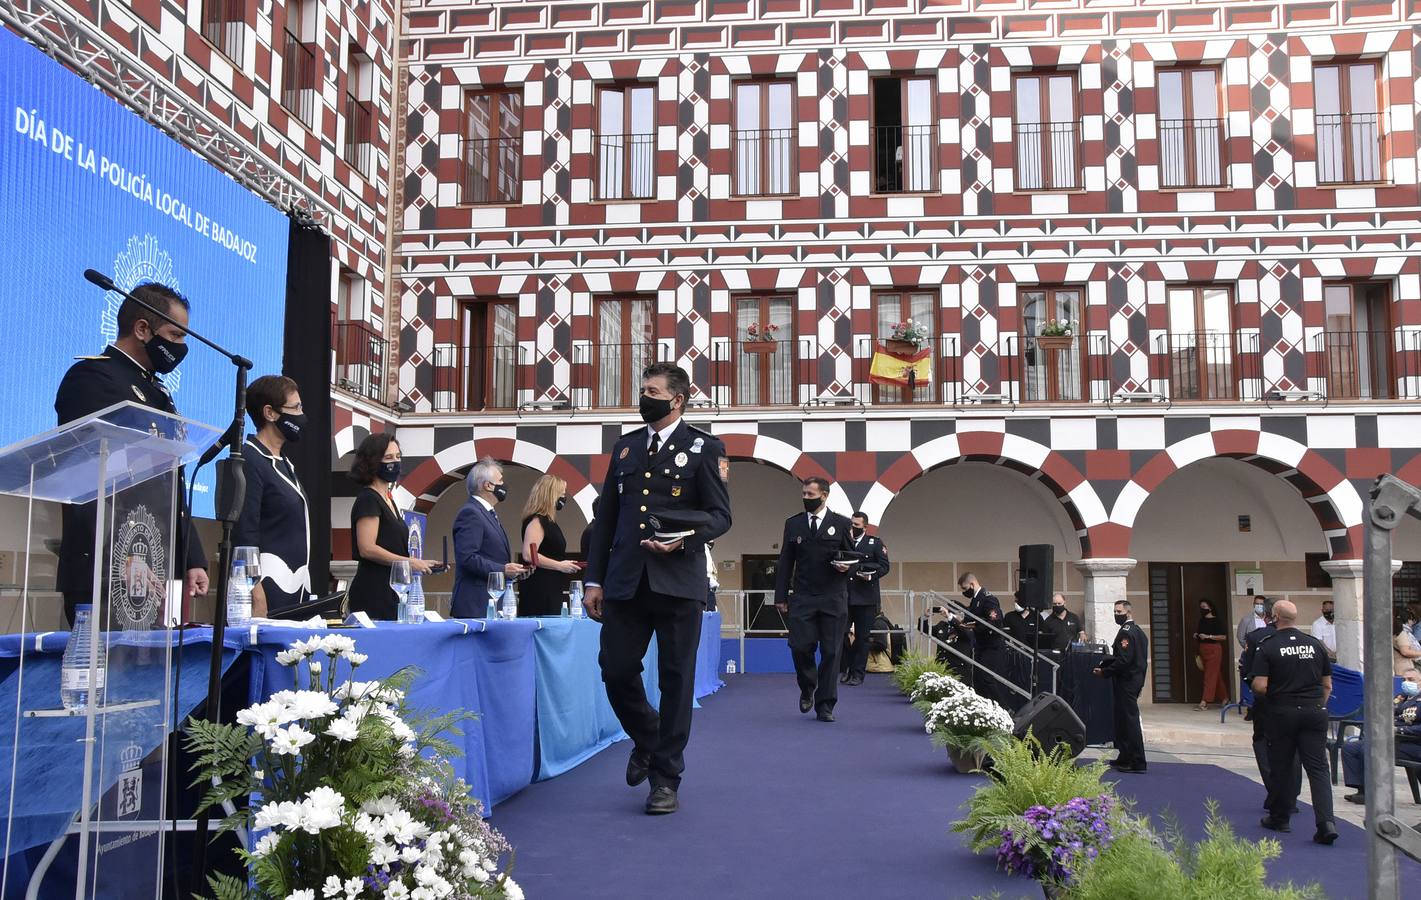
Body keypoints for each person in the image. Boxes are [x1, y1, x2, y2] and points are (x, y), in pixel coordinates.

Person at [584, 362, 731, 815]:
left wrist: (682, 537)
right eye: (642, 388)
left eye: (651, 390)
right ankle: (648, 737)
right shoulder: (626, 449)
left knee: (676, 680)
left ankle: (666, 778)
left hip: (678, 583)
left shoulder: (705, 447)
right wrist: (594, 578)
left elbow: (720, 516)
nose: (643, 397)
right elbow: (606, 517)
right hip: (626, 582)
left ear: (677, 399)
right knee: (615, 667)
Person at [54, 282, 208, 624]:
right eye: (176, 335)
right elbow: (88, 477)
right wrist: (122, 554)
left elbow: (168, 482)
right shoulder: (94, 378)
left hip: (150, 560)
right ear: (142, 329)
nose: (181, 347)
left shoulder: (157, 392)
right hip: (108, 566)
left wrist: (190, 555)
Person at [1250, 599, 1338, 845]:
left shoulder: (1268, 645)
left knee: (1282, 765)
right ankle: (1326, 823)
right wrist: (1318, 703)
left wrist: (1276, 698)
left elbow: (1259, 685)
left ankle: (1280, 818)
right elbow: (1327, 684)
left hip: (1283, 712)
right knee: (1319, 768)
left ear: (1275, 616)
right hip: (1314, 711)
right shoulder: (1314, 644)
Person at [775, 477, 854, 721]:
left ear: (824, 495)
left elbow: (852, 556)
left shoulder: (840, 523)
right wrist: (780, 595)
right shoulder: (794, 524)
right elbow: (786, 561)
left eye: (810, 494)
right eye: (804, 494)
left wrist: (846, 568)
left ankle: (826, 705)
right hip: (803, 597)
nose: (806, 498)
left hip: (833, 597)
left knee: (832, 652)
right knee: (800, 647)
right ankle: (808, 686)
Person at [233, 375, 312, 616]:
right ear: (270, 413)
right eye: (295, 407)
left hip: (297, 584)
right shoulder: (250, 459)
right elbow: (244, 532)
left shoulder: (284, 463)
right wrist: (254, 592)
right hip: (267, 587)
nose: (301, 414)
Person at [346, 434, 433, 620]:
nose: (395, 462)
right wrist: (408, 562)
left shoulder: (389, 500)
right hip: (374, 591)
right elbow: (367, 548)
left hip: (394, 589)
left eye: (398, 457)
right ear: (372, 461)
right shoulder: (369, 499)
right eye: (388, 458)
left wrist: (419, 563)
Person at [1240, 600, 1302, 812]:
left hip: (1269, 701)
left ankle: (1277, 793)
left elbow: (1248, 673)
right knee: (1292, 749)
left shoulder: (1259, 638)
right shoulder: (1307, 641)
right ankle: (1291, 795)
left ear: (1271, 615)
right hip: (1298, 702)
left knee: (1264, 745)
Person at [451, 458, 527, 618]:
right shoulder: (471, 513)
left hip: (491, 602)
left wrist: (513, 572)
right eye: (500, 480)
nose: (503, 484)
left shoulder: (487, 513)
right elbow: (467, 558)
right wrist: (503, 570)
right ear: (487, 485)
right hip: (476, 604)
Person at [1341, 668, 1421, 804]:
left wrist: (1399, 730)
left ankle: (1374, 793)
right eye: (1404, 680)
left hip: (1410, 743)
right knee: (1350, 748)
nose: (1406, 683)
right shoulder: (1400, 698)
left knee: (1367, 748)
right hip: (1389, 740)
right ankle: (1362, 790)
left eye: (1411, 680)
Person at [1093, 600, 1148, 773]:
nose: (1117, 615)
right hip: (1132, 680)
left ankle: (1137, 761)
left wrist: (1105, 671)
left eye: (1119, 612)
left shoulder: (1127, 632)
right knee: (1123, 721)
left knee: (1130, 721)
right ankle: (1125, 756)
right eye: (1115, 612)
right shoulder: (1138, 632)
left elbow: (1124, 660)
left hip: (1127, 681)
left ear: (1128, 612)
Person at [517, 474, 581, 617]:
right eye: (562, 494)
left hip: (552, 584)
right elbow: (529, 554)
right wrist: (559, 565)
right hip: (541, 587)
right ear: (551, 495)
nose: (564, 499)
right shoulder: (537, 521)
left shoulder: (548, 521)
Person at [841, 511, 890, 687]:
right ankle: (846, 668)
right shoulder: (844, 541)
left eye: (856, 525)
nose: (853, 528)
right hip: (845, 597)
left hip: (866, 598)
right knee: (841, 635)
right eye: (851, 524)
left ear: (865, 527)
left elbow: (885, 567)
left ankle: (857, 673)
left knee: (862, 637)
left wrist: (870, 576)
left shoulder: (874, 543)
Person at [958, 572, 1010, 708]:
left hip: (992, 645)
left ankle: (1003, 708)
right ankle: (983, 708)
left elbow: (995, 621)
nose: (964, 592)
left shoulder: (988, 599)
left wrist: (976, 626)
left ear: (972, 584)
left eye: (964, 588)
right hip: (981, 645)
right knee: (978, 679)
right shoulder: (975, 600)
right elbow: (971, 617)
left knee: (987, 678)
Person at [1193, 598, 1229, 711]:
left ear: (1210, 607)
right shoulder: (1201, 620)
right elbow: (1199, 633)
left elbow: (1223, 636)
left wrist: (1208, 636)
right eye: (1201, 607)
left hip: (1214, 649)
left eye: (1204, 607)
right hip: (1203, 649)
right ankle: (1224, 697)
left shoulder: (1217, 621)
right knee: (1215, 674)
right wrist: (1197, 635)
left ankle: (1205, 701)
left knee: (1209, 676)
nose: (1202, 609)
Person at [1395, 612, 1421, 677]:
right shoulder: (1402, 633)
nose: (1413, 622)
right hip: (1404, 667)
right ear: (1408, 620)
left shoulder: (1402, 632)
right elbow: (1405, 652)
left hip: (1403, 666)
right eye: (1412, 619)